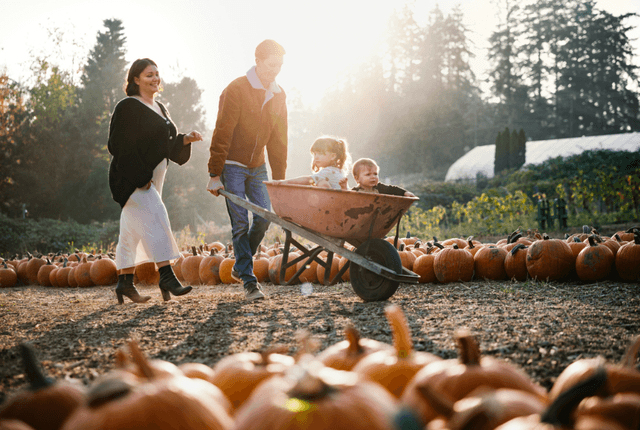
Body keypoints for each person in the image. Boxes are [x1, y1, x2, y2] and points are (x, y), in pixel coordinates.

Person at [108, 58, 204, 304]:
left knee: (130, 231)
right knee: (158, 215)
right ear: (136, 79)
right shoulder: (127, 106)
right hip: (132, 179)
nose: (155, 79)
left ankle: (125, 283)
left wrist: (184, 140)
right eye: (149, 74)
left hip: (154, 180)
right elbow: (119, 145)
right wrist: (140, 177)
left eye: (157, 74)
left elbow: (165, 145)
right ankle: (167, 275)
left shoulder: (160, 107)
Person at [206, 40, 288, 301]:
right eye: (271, 64)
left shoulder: (278, 94)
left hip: (258, 167)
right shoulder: (237, 89)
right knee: (240, 223)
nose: (275, 70)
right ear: (258, 60)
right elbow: (223, 131)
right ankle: (250, 283)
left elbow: (279, 138)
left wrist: (279, 180)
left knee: (264, 217)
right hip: (232, 167)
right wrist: (214, 173)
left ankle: (240, 266)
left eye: (280, 65)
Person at [275, 136, 351, 190]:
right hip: (341, 201)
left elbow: (308, 180)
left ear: (332, 156)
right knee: (318, 183)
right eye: (315, 154)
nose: (316, 157)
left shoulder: (329, 171)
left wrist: (285, 182)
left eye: (320, 154)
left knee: (321, 183)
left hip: (339, 203)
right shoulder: (336, 170)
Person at [351, 158, 416, 197]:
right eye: (368, 174)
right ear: (357, 178)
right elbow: (346, 198)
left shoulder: (379, 188)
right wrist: (344, 187)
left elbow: (392, 189)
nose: (373, 177)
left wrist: (404, 192)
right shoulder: (355, 191)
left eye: (375, 174)